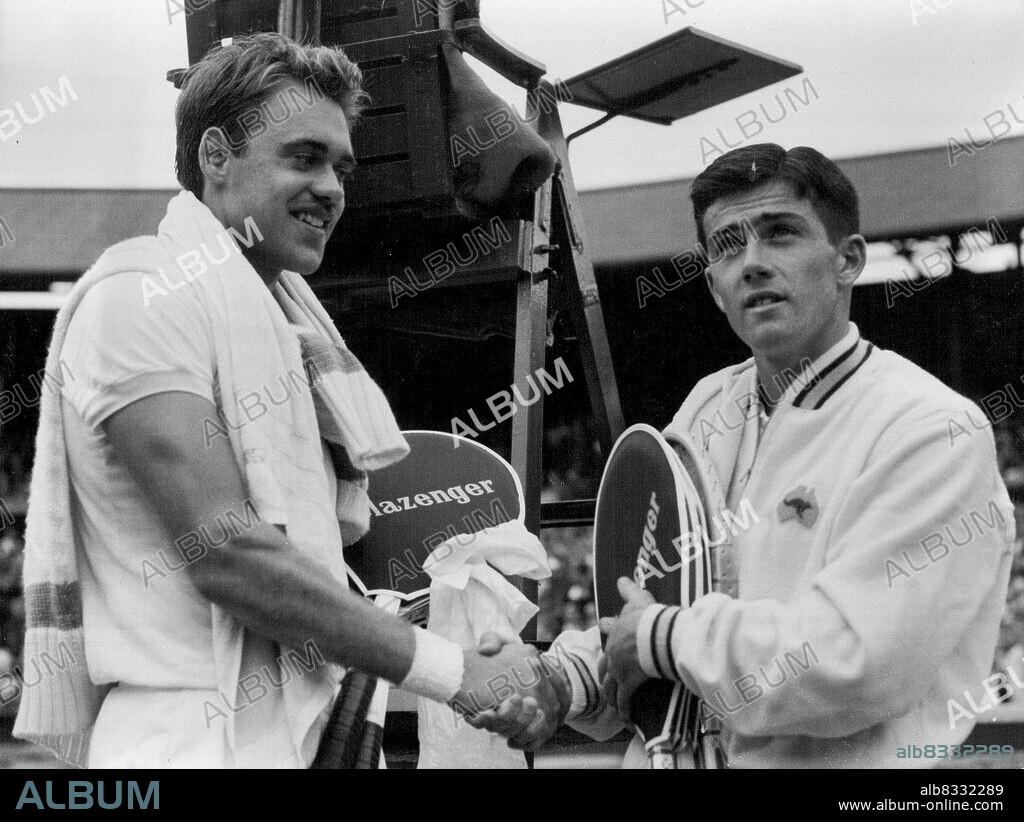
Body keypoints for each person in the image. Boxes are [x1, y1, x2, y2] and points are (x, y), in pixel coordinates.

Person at [14, 33, 565, 768]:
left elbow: (314, 573)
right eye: (303, 158)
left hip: (288, 728)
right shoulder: (139, 293)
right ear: (216, 156)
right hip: (188, 738)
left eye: (342, 167)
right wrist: (455, 671)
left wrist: (471, 631)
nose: (334, 188)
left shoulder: (280, 322)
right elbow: (229, 555)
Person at [478, 143, 1015, 768]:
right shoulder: (710, 407)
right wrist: (566, 680)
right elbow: (646, 602)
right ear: (712, 286)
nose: (752, 263)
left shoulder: (930, 427)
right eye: (729, 244)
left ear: (848, 260)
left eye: (781, 234)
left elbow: (857, 663)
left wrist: (663, 637)